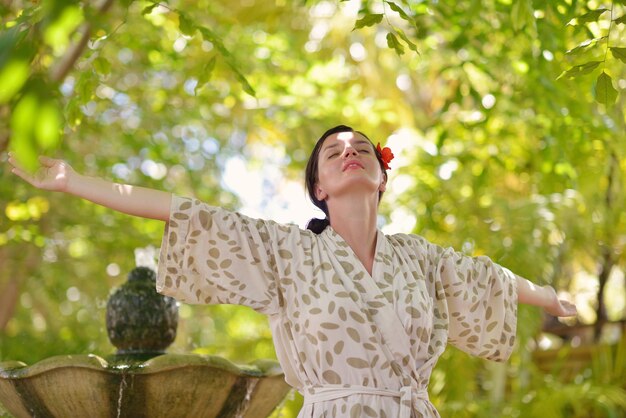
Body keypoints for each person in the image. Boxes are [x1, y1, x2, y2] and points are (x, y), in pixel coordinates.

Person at [7, 125, 577, 418]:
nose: (351, 152)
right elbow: (177, 209)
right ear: (319, 188)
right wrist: (70, 181)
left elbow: (493, 280)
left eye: (361, 149)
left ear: (382, 176)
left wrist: (553, 298)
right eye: (334, 152)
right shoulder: (285, 253)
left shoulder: (423, 258)